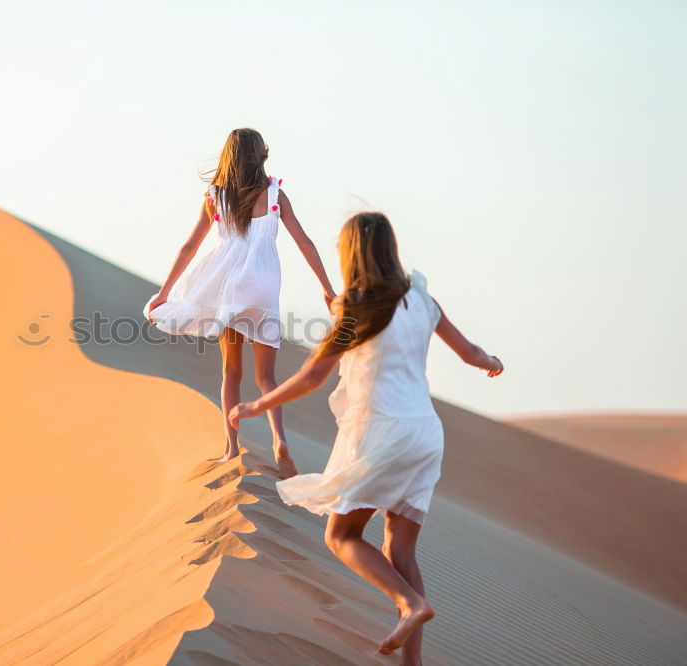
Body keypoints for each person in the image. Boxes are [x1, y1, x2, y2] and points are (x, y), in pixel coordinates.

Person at [229, 211, 503, 662]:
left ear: (350, 254)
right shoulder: (420, 298)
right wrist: (491, 359)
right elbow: (470, 352)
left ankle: (410, 604)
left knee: (341, 536)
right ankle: (412, 657)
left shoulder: (356, 310)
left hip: (380, 430)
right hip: (426, 434)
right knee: (400, 550)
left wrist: (257, 405)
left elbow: (314, 375)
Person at [145, 128, 336, 477]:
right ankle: (280, 440)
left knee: (232, 371)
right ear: (260, 155)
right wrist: (328, 289)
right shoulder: (275, 194)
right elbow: (305, 243)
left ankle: (231, 448)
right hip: (263, 286)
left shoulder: (214, 196)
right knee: (267, 376)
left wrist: (165, 292)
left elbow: (189, 247)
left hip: (230, 287)